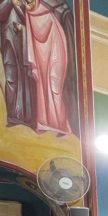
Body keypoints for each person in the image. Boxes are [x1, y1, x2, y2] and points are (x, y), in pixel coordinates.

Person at [24, 0, 72, 135]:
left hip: (55, 54)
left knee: (54, 88)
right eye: (27, 1)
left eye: (31, 1)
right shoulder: (29, 15)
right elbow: (31, 39)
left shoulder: (48, 14)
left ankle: (62, 126)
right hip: (41, 58)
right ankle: (44, 124)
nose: (29, 3)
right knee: (42, 89)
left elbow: (55, 37)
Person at [0, 0, 35, 128]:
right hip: (8, 39)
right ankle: (14, 115)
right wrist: (10, 2)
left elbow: (31, 18)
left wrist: (22, 6)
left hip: (24, 40)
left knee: (26, 77)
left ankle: (28, 116)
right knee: (12, 77)